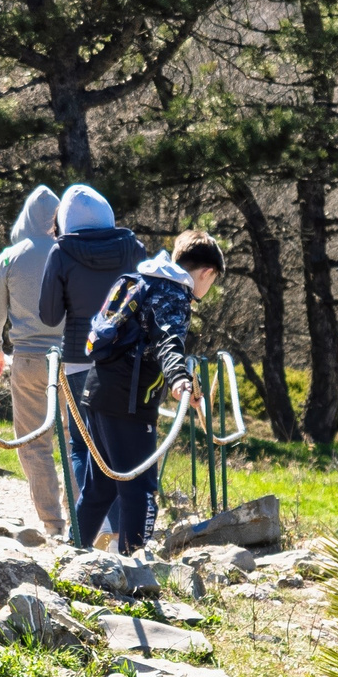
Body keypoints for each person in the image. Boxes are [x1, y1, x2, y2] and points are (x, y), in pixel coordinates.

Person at [67, 230, 222, 553]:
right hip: (129, 404)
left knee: (101, 487)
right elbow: (168, 341)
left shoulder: (142, 278)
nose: (208, 288)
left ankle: (71, 557)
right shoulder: (173, 293)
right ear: (207, 272)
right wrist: (180, 380)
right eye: (213, 280)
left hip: (96, 392)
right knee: (140, 488)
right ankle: (133, 571)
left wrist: (179, 377)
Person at [33, 183, 144, 525]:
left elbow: (48, 315)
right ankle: (129, 527)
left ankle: (99, 526)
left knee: (83, 446)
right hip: (127, 359)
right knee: (123, 446)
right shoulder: (133, 248)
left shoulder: (62, 253)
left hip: (80, 359)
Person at [0, 185, 67, 537]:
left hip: (28, 360)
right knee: (78, 443)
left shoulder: (12, 256)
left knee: (33, 443)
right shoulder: (69, 252)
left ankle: (52, 524)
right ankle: (82, 519)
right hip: (70, 361)